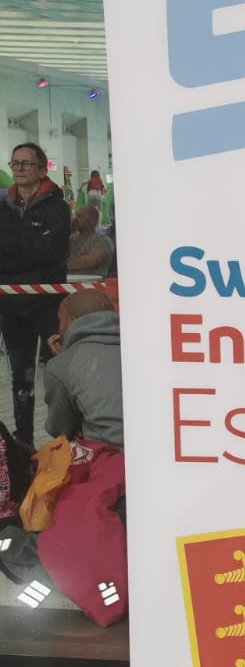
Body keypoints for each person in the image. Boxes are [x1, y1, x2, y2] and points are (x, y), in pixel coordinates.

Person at [0, 143, 71, 446]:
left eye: (26, 163)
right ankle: (24, 442)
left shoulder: (57, 207)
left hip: (48, 303)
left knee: (61, 372)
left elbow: (52, 251)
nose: (18, 168)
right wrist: (30, 247)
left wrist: (12, 247)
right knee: (21, 377)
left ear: (42, 169)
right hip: (11, 304)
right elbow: (37, 251)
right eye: (15, 163)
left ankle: (69, 439)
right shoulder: (4, 208)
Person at [44, 289, 123, 448]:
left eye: (60, 320)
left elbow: (60, 429)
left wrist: (62, 360)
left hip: (110, 458)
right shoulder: (144, 347)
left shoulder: (61, 365)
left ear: (69, 321)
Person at [67, 206, 115, 275]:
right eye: (76, 215)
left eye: (79, 216)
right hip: (68, 282)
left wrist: (62, 266)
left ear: (92, 220)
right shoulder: (72, 238)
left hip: (92, 284)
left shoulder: (103, 240)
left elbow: (89, 261)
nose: (75, 219)